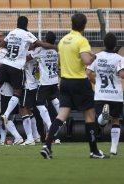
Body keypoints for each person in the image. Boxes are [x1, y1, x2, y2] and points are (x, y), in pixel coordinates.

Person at [40, 13, 109, 159]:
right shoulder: (81, 40)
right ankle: (94, 151)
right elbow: (86, 61)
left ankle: (47, 145)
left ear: (71, 23)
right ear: (84, 25)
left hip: (64, 82)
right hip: (79, 82)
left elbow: (60, 63)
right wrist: (93, 56)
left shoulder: (63, 40)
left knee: (61, 116)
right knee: (90, 116)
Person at [0, 16, 53, 129]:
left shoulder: (12, 32)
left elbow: (3, 45)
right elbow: (42, 44)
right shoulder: (27, 34)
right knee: (17, 92)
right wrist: (55, 47)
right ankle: (6, 114)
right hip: (16, 67)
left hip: (5, 64)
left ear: (17, 23)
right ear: (26, 24)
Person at [86, 33, 124, 155]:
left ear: (103, 43)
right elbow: (122, 75)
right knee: (116, 120)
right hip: (115, 94)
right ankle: (113, 148)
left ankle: (103, 117)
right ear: (115, 45)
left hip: (101, 93)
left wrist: (95, 82)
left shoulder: (97, 56)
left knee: (100, 121)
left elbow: (88, 73)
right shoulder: (120, 59)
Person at [31, 32, 60, 141]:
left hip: (45, 82)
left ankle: (49, 125)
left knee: (39, 104)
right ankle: (62, 115)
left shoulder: (40, 50)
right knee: (53, 98)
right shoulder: (55, 50)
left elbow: (28, 58)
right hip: (54, 79)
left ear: (45, 39)